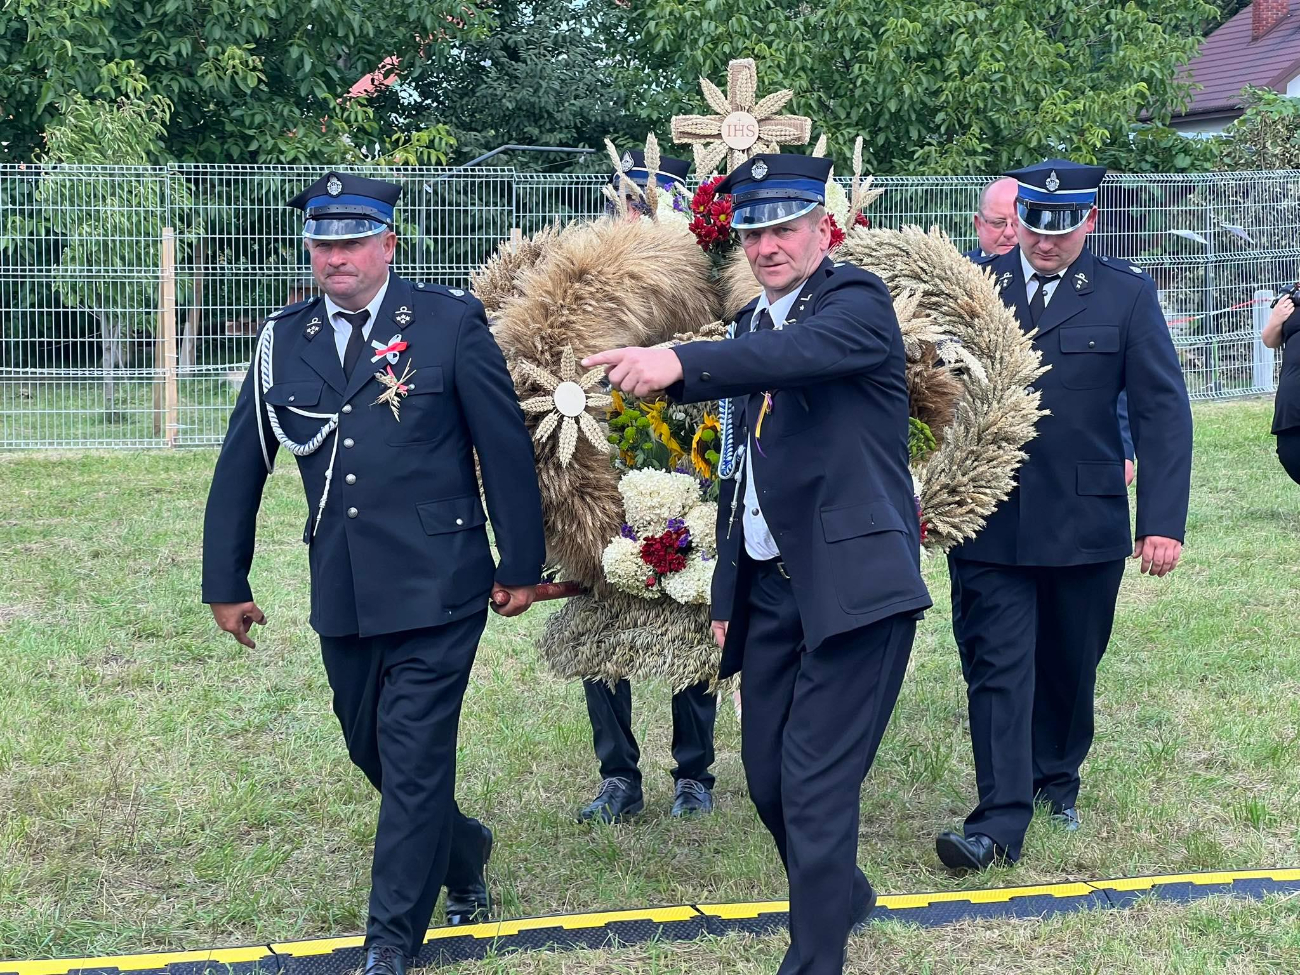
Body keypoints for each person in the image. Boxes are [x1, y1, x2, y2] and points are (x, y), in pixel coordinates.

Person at [584, 154, 932, 975]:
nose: (769, 244)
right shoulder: (749, 326)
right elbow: (741, 469)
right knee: (772, 781)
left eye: (785, 226)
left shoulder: (856, 304)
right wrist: (731, 589)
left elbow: (799, 359)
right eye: (755, 230)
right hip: (773, 592)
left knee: (814, 788)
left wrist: (679, 363)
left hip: (854, 587)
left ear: (822, 228)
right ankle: (840, 891)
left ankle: (813, 958)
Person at [201, 173, 546, 975]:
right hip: (345, 589)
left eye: (353, 240)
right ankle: (464, 849)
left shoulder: (447, 322)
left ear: (389, 242)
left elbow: (503, 450)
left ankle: (390, 940)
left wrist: (519, 562)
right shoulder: (284, 339)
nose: (336, 257)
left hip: (441, 583)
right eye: (323, 243)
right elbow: (242, 462)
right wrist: (227, 579)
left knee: (416, 755)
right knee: (374, 753)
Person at [937, 160, 1193, 871]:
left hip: (1086, 520)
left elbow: (1162, 412)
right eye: (1033, 226)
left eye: (1061, 228)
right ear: (1014, 220)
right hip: (990, 516)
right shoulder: (976, 292)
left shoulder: (1125, 295)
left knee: (1070, 664)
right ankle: (995, 819)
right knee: (997, 665)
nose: (1045, 242)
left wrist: (1162, 519)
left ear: (1089, 221)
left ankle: (1058, 775)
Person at [577, 149, 718, 824]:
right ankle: (617, 775)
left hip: (688, 448)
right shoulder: (593, 274)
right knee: (603, 611)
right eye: (629, 203)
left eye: (653, 205)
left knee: (691, 601)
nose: (637, 216)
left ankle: (694, 772)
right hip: (606, 457)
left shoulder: (697, 275)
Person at [1263, 289, 1300, 484]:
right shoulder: (1292, 297)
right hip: (1293, 393)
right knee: (1291, 452)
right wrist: (1277, 318)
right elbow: (1270, 340)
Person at [964, 176, 1019, 260]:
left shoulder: (1043, 272)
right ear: (978, 224)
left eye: (1018, 224)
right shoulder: (952, 269)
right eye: (998, 223)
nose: (1009, 233)